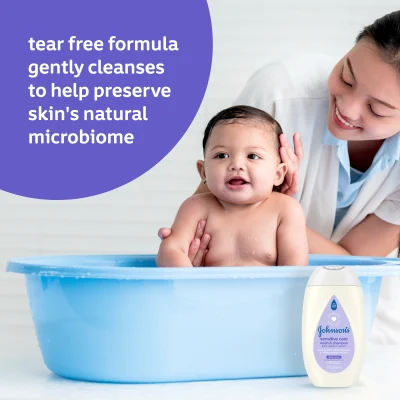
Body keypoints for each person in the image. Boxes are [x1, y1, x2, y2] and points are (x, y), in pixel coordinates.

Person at [158, 11, 400, 343]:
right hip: (219, 314)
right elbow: (211, 212)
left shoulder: (284, 211)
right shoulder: (280, 90)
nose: (348, 107)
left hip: (359, 320)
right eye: (346, 76)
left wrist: (276, 210)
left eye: (378, 110)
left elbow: (352, 262)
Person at [157, 106, 308, 267]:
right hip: (205, 292)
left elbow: (295, 270)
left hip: (270, 292)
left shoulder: (285, 210)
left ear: (278, 174)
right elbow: (171, 249)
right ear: (203, 172)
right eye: (222, 155)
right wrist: (186, 278)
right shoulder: (195, 208)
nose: (236, 165)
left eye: (253, 156)